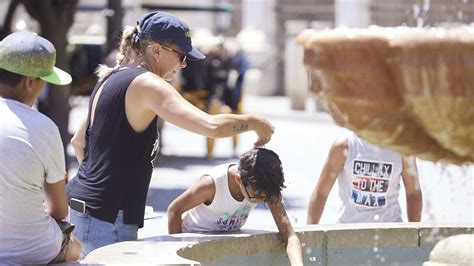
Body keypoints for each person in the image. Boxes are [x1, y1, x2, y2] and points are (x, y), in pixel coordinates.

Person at [67, 11, 274, 257]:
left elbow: (78, 141)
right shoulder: (147, 84)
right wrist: (255, 122)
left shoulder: (111, 77)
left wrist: (101, 186)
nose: (184, 64)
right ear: (156, 50)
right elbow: (210, 125)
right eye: (181, 55)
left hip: (87, 210)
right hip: (108, 217)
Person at [0, 31, 81, 263]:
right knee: (77, 248)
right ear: (29, 82)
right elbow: (59, 210)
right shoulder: (43, 127)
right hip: (33, 249)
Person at [167, 148, 304, 266]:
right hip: (195, 238)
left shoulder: (265, 188)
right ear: (239, 180)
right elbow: (174, 210)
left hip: (223, 245)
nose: (262, 202)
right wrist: (179, 255)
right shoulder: (211, 186)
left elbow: (290, 236)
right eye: (256, 197)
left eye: (266, 198)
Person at [307, 132, 423, 224]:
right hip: (348, 230)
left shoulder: (402, 150)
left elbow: (413, 193)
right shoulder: (344, 146)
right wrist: (310, 235)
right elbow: (321, 193)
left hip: (390, 229)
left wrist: (415, 236)